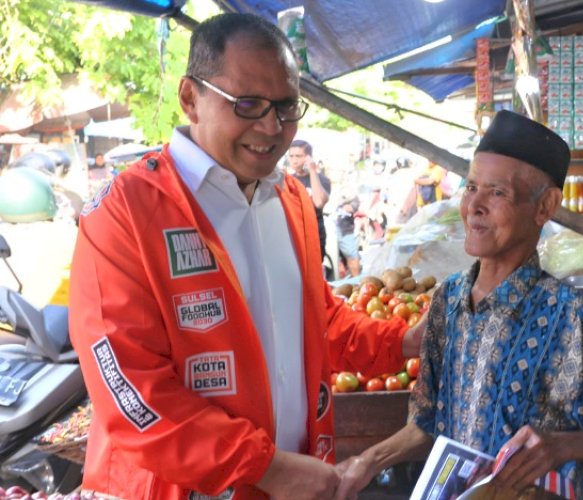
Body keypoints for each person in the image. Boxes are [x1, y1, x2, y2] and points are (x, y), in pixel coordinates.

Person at [69, 13, 423, 500]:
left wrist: (403, 341)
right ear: (190, 98)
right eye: (249, 104)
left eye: (286, 106)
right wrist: (266, 467)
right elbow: (131, 391)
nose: (272, 127)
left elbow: (315, 320)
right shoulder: (126, 211)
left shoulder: (291, 199)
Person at [333, 111, 583, 500]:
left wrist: (559, 447)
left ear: (545, 206)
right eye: (471, 187)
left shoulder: (572, 315)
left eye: (497, 192)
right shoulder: (448, 301)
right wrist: (367, 461)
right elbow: (427, 423)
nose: (474, 206)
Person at [286, 139, 331, 260]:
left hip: (314, 235)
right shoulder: (288, 180)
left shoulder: (321, 180)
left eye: (298, 156)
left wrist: (312, 170)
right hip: (294, 234)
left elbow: (319, 202)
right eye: (291, 156)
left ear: (308, 157)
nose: (294, 160)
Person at [336, 193, 361, 277]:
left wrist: (343, 201)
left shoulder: (353, 197)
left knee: (352, 256)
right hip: (337, 230)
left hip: (346, 231)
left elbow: (350, 208)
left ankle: (356, 279)